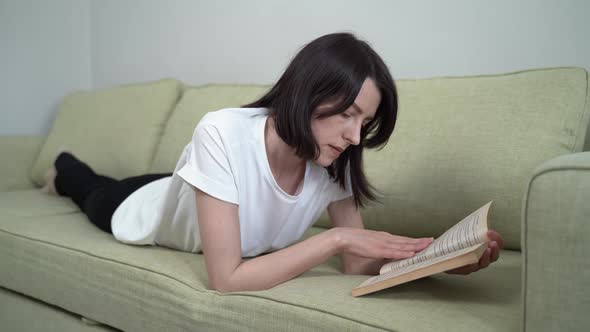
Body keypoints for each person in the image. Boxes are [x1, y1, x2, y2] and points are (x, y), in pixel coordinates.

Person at [41, 32, 504, 292]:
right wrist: (339, 237)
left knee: (120, 183)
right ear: (307, 94)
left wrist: (438, 263)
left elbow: (356, 268)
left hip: (204, 194)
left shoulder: (334, 160)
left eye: (364, 122)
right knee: (90, 187)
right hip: (143, 206)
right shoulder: (221, 131)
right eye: (347, 114)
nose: (354, 136)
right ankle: (60, 169)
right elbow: (226, 278)